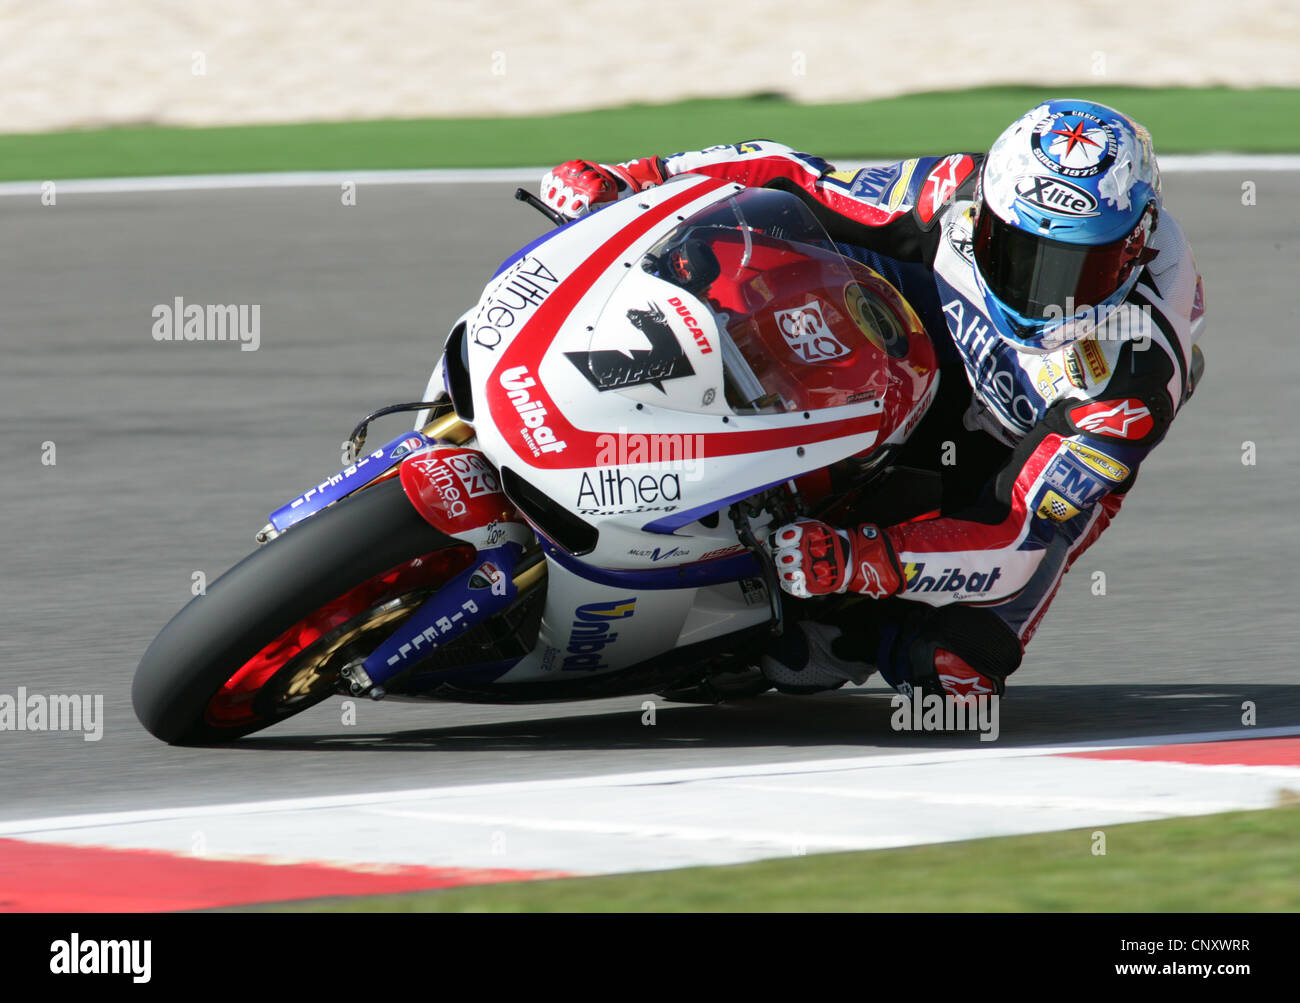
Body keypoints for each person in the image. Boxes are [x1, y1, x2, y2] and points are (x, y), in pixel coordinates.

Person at [537, 99, 1206, 702]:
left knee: (952, 668)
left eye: (1073, 269)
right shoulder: (954, 194)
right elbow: (795, 178)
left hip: (1012, 451)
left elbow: (1017, 531)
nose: (1037, 289)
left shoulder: (1131, 382)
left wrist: (866, 558)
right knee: (760, 248)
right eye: (1017, 251)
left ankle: (810, 616)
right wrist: (639, 178)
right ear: (990, 211)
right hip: (932, 318)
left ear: (1132, 251)